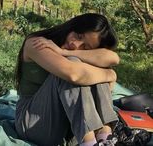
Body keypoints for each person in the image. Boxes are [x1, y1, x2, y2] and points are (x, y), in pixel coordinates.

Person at [14, 13, 120, 146]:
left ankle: (105, 138)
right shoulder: (36, 43)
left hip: (71, 127)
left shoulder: (69, 51)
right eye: (78, 36)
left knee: (92, 68)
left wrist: (64, 52)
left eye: (86, 47)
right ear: (72, 26)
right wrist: (109, 74)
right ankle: (89, 143)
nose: (75, 44)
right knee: (75, 66)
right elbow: (73, 74)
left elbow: (114, 58)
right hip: (32, 124)